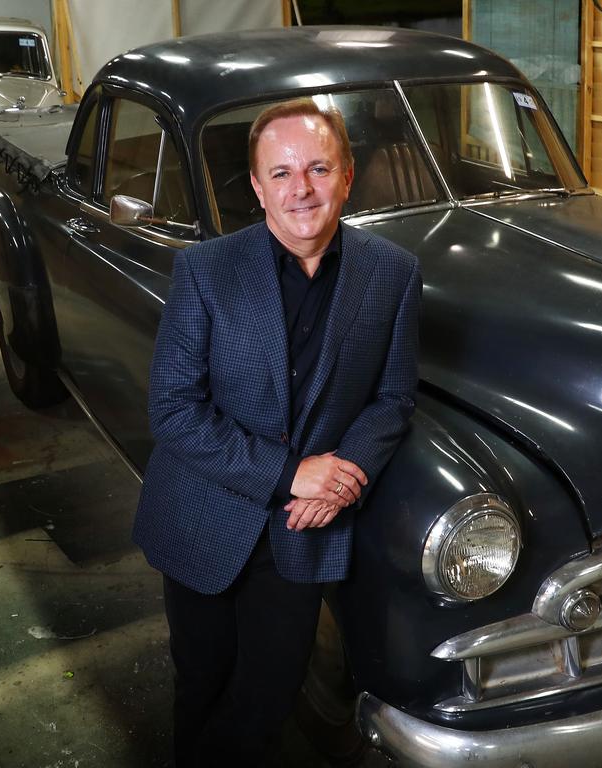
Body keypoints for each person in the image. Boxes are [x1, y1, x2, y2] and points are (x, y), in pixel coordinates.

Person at [133, 97, 421, 767]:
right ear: (258, 186)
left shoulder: (393, 275)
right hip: (208, 514)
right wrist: (293, 471)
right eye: (282, 173)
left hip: (304, 527)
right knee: (203, 684)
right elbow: (174, 408)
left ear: (347, 177)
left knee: (268, 697)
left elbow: (392, 397)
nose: (302, 190)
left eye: (319, 168)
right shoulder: (205, 271)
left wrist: (344, 476)